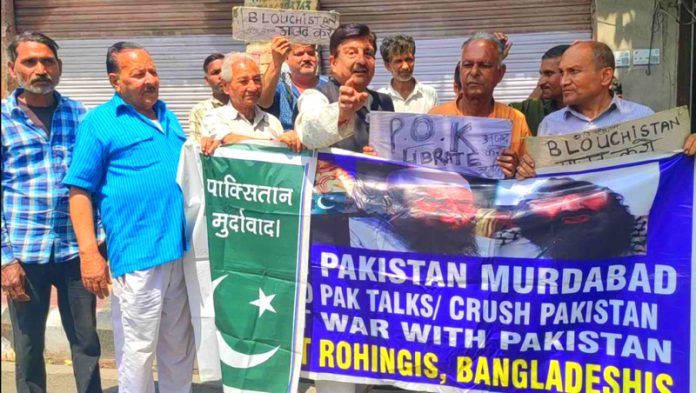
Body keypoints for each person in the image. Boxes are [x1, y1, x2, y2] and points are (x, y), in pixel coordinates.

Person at [64, 41, 195, 393]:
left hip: (179, 252)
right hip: (137, 256)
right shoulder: (100, 122)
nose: (150, 79)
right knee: (137, 350)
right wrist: (90, 254)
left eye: (153, 71)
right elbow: (78, 191)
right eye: (138, 74)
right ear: (115, 81)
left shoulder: (167, 114)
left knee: (179, 348)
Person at [1, 31, 103, 393]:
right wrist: (5, 259)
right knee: (28, 345)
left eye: (48, 61)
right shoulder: (2, 120)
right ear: (13, 69)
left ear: (59, 67)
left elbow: (97, 177)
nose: (40, 69)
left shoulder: (81, 114)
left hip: (77, 250)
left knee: (87, 341)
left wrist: (99, 242)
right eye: (30, 62)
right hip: (24, 253)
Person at [515, 41, 696, 178]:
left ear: (605, 76)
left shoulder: (642, 118)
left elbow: (668, 171)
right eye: (562, 72)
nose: (563, 81)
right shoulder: (550, 125)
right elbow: (543, 186)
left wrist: (689, 149)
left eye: (574, 71)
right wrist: (526, 174)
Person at [429, 32, 531, 178]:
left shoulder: (516, 120)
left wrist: (517, 172)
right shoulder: (435, 117)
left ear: (500, 73)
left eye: (484, 65)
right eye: (468, 65)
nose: (474, 72)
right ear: (460, 71)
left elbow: (529, 177)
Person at [295, 23, 394, 153]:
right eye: (352, 53)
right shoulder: (314, 97)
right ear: (333, 63)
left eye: (368, 53)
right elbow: (309, 133)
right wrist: (342, 113)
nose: (362, 61)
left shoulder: (384, 102)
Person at [199, 52, 303, 155]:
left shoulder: (272, 122)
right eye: (243, 81)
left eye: (257, 80)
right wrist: (275, 144)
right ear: (226, 87)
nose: (253, 88)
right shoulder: (214, 117)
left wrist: (291, 141)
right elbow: (229, 141)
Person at [510, 178, 636, 260]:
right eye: (551, 198)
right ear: (528, 208)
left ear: (610, 198)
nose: (572, 206)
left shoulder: (650, 234)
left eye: (586, 193)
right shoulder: (504, 247)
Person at [258, 36, 328, 131]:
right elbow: (263, 101)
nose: (306, 58)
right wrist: (276, 61)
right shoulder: (279, 86)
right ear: (286, 59)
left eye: (311, 53)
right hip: (286, 144)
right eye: (299, 54)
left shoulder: (329, 85)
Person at [509, 44, 570, 135]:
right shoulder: (534, 110)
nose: (540, 82)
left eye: (549, 74)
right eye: (541, 74)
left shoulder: (593, 112)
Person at [377, 34, 439, 113]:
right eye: (398, 61)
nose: (405, 66)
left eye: (409, 59)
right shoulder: (379, 98)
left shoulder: (430, 94)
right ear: (387, 65)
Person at [187, 53, 228, 143]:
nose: (221, 76)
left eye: (225, 71)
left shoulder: (244, 105)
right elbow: (196, 146)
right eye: (216, 73)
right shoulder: (200, 110)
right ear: (207, 80)